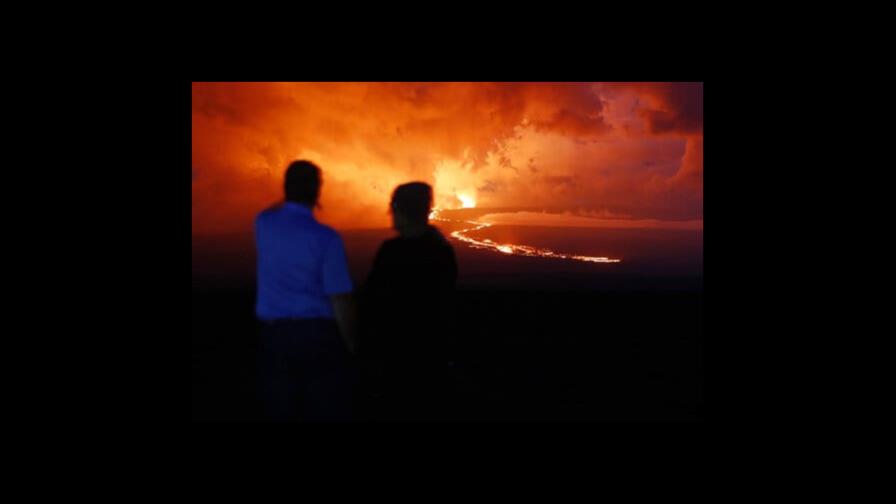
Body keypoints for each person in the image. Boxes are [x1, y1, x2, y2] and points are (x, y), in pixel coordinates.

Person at [255, 160, 358, 422]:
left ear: (286, 188)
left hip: (273, 335)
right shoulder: (326, 238)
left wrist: (290, 197)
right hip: (316, 336)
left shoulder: (264, 224)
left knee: (279, 408)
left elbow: (274, 210)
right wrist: (351, 344)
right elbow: (340, 297)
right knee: (320, 408)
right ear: (317, 190)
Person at [361, 182, 458, 421]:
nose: (390, 214)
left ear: (401, 209)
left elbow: (373, 301)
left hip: (397, 359)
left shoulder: (391, 253)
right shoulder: (442, 251)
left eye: (393, 207)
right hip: (432, 358)